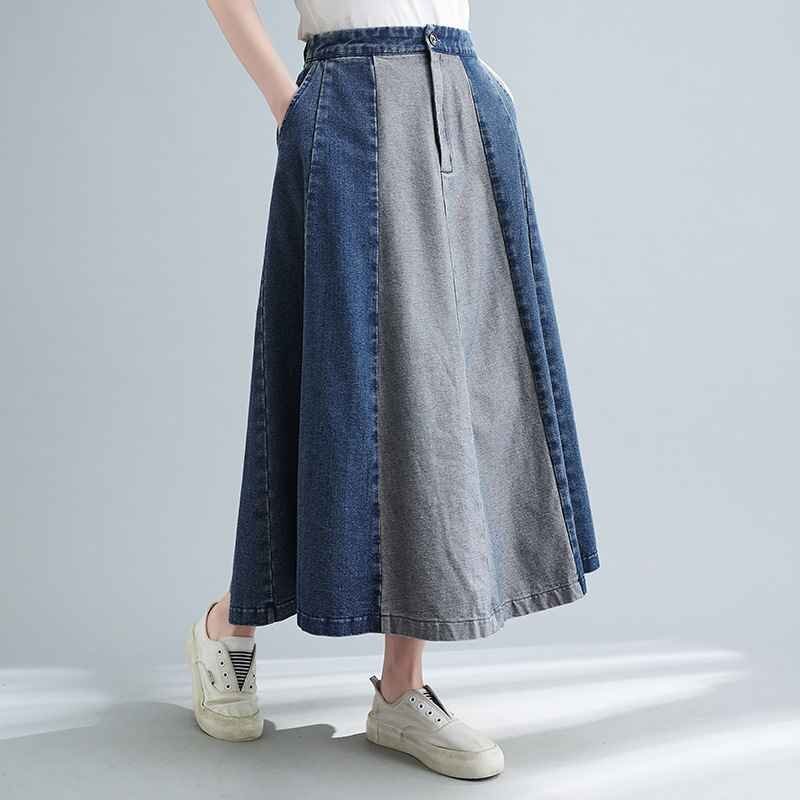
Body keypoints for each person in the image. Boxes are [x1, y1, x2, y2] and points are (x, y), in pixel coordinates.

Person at [187, 0, 600, 780]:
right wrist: (284, 98)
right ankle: (228, 627)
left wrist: (474, 83)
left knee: (446, 399)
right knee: (334, 386)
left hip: (462, 94)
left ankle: (402, 688)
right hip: (348, 96)